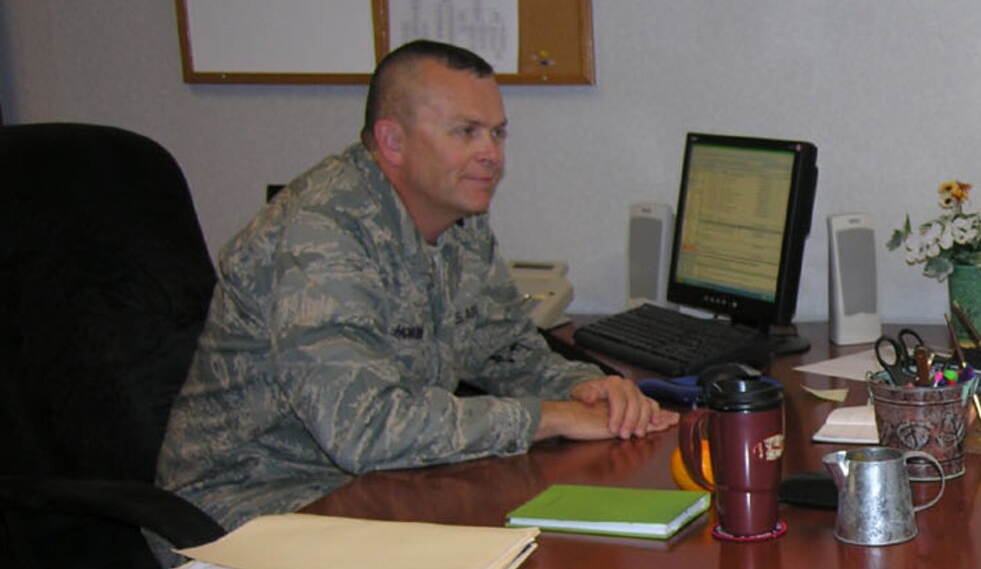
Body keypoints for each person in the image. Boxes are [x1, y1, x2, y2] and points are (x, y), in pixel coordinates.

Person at [157, 40, 673, 540]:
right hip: (253, 507)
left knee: (551, 544)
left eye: (497, 133)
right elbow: (364, 429)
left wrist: (583, 388)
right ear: (392, 142)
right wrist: (546, 417)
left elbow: (503, 348)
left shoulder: (458, 219)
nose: (490, 154)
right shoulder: (322, 233)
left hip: (369, 488)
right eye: (466, 132)